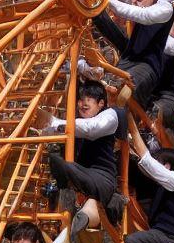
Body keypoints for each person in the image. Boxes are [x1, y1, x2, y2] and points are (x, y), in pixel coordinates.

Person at [43, 80, 125, 232]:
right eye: (80, 99)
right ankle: (71, 223)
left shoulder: (110, 115)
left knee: (90, 203)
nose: (83, 103)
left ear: (101, 103)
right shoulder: (76, 121)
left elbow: (91, 129)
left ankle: (77, 224)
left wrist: (56, 123)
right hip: (81, 175)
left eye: (89, 98)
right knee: (56, 160)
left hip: (102, 178)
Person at [92, 0, 174, 108]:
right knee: (101, 90)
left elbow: (141, 14)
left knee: (124, 88)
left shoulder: (165, 9)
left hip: (147, 66)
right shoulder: (143, 2)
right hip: (128, 60)